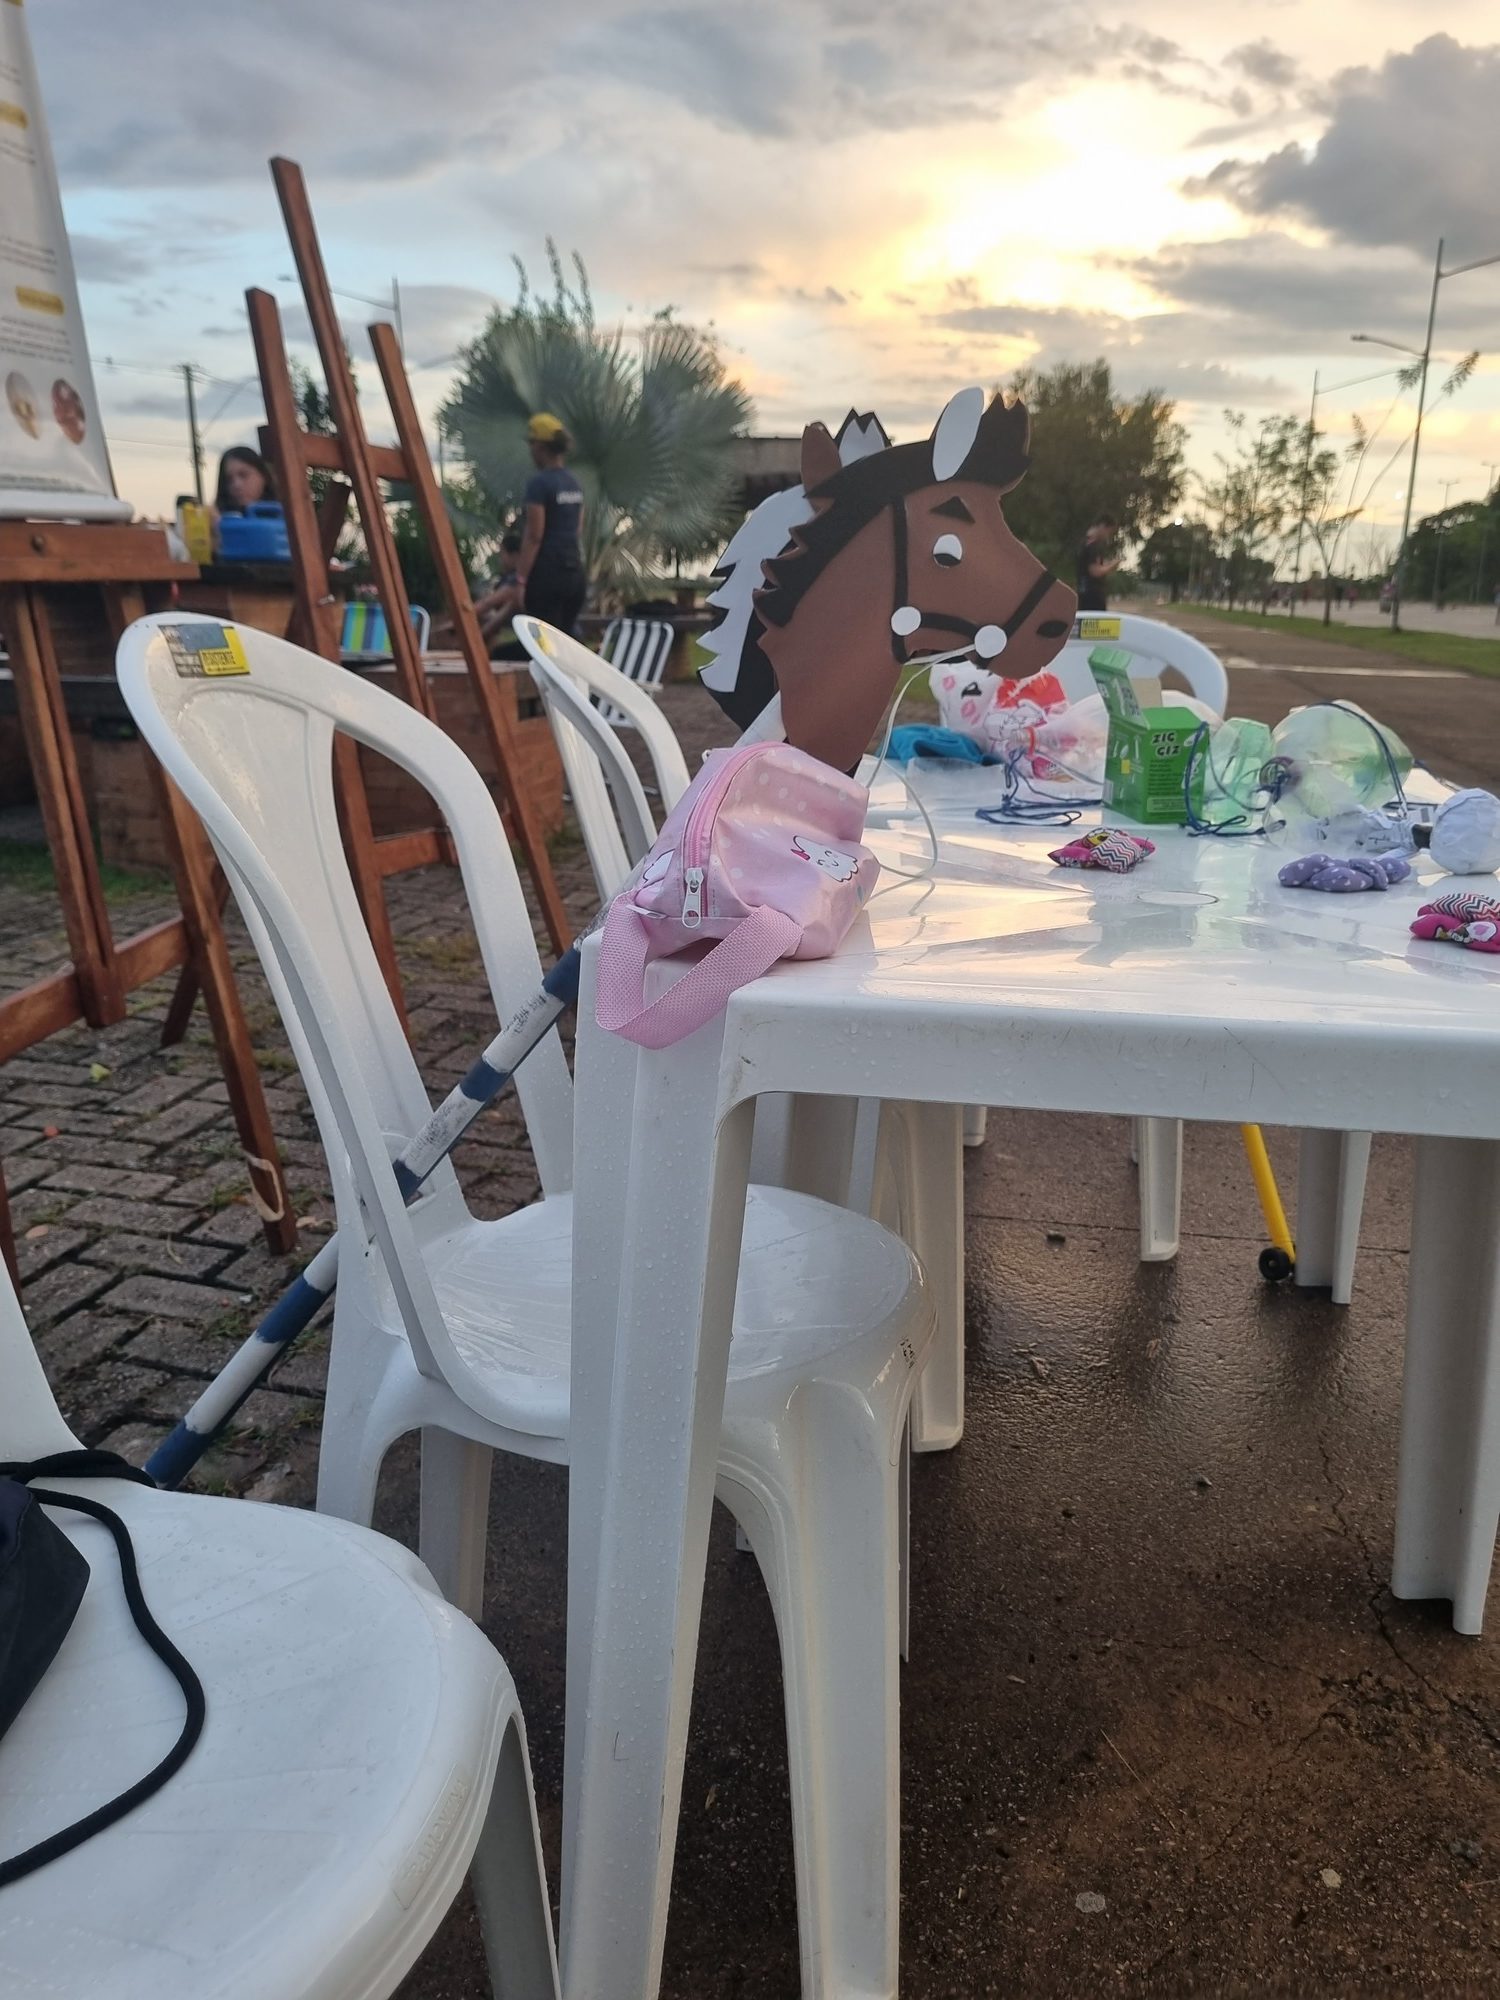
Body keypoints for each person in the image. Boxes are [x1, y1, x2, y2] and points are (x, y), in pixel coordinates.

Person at [496, 412, 586, 637]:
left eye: (531, 444)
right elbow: (577, 528)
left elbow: (535, 535)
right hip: (574, 575)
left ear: (540, 447)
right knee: (564, 640)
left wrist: (521, 580)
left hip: (547, 577)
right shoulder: (574, 483)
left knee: (542, 643)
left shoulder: (539, 484)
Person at [213, 446, 277, 515]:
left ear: (263, 476)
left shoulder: (284, 512)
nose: (236, 485)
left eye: (244, 475)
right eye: (229, 480)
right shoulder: (218, 518)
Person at [1075, 515, 1118, 612]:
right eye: (1109, 532)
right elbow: (1095, 571)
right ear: (1102, 526)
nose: (1108, 536)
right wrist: (1112, 565)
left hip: (1084, 592)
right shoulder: (1093, 546)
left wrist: (1105, 564)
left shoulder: (1085, 543)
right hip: (1093, 596)